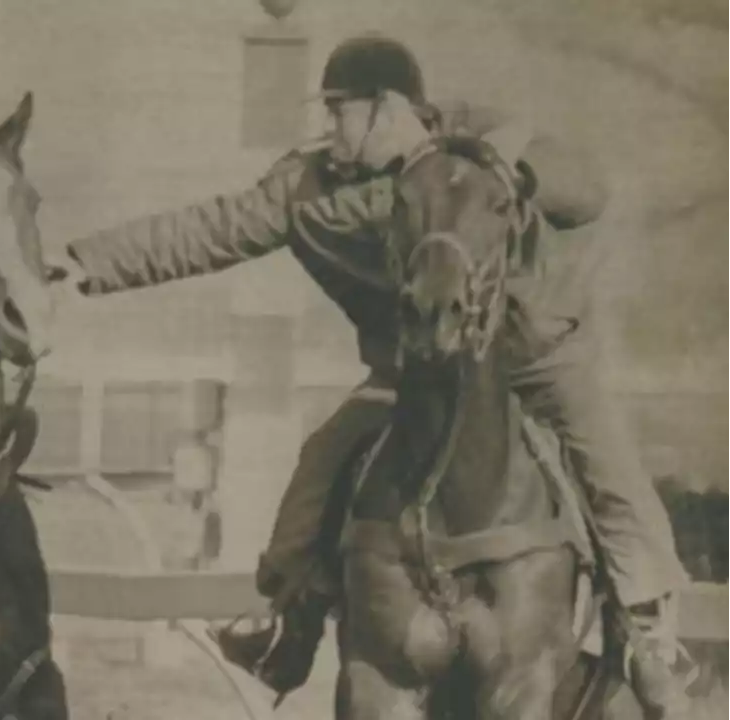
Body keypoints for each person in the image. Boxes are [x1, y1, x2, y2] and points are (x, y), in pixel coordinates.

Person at [57, 33, 690, 719]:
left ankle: (647, 636)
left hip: (531, 356)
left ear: (385, 108)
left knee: (610, 464)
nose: (328, 129)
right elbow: (210, 228)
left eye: (339, 112)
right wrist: (87, 262)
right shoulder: (309, 187)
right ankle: (289, 623)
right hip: (412, 367)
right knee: (320, 456)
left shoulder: (479, 141)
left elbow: (588, 191)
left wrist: (517, 168)